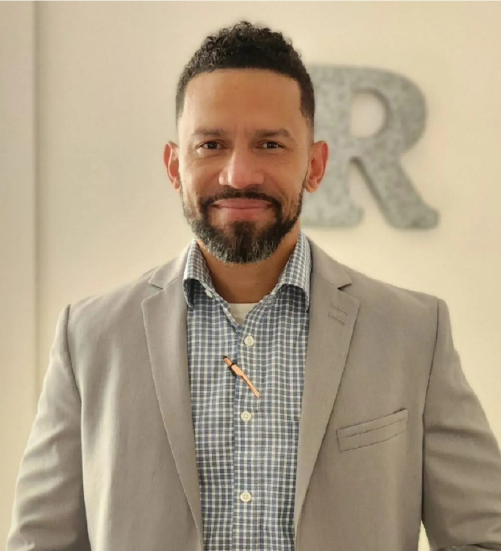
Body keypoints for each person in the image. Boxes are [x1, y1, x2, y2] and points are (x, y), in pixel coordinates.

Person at [7, 20, 501, 551]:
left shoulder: (413, 334)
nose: (238, 173)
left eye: (269, 144)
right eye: (211, 144)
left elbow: (482, 538)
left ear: (315, 166)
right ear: (175, 166)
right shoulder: (88, 339)